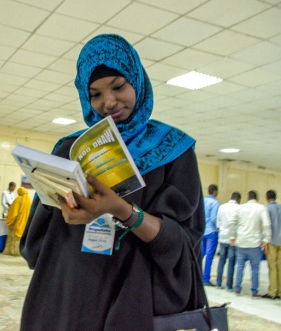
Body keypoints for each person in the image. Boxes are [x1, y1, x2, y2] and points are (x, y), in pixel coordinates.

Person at [19, 34, 205, 330]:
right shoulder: (70, 150)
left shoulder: (173, 151)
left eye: (118, 86)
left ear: (137, 80)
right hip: (67, 295)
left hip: (133, 300)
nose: (108, 102)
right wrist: (63, 209)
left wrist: (122, 210)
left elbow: (182, 244)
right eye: (95, 94)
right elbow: (35, 243)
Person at [230, 190, 271, 297]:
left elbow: (232, 222)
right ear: (256, 198)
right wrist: (266, 239)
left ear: (247, 197)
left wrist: (232, 237)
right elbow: (266, 224)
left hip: (241, 242)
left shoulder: (240, 208)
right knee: (255, 268)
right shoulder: (261, 208)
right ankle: (254, 291)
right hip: (254, 243)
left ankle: (237, 288)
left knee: (240, 267)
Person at [262, 190, 281, 299]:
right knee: (279, 267)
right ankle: (279, 292)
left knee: (272, 267)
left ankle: (272, 292)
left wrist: (264, 242)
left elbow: (266, 226)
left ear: (267, 198)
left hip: (271, 241)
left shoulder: (267, 209)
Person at [216, 192, 241, 291]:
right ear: (239, 199)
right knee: (231, 261)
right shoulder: (239, 208)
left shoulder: (222, 207)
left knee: (221, 260)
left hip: (222, 236)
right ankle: (229, 286)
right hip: (232, 239)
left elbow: (218, 223)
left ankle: (218, 283)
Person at [3, 187, 31, 256]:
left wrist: (9, 219)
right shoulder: (29, 200)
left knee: (13, 237)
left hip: (16, 222)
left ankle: (11, 251)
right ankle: (19, 252)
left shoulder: (18, 199)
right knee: (20, 238)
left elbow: (13, 212)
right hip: (25, 222)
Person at [202, 184, 220, 286]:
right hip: (211, 232)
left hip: (202, 231)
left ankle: (196, 275)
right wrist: (218, 229)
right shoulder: (215, 203)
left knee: (200, 254)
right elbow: (214, 219)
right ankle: (205, 279)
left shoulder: (202, 201)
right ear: (215, 192)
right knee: (209, 256)